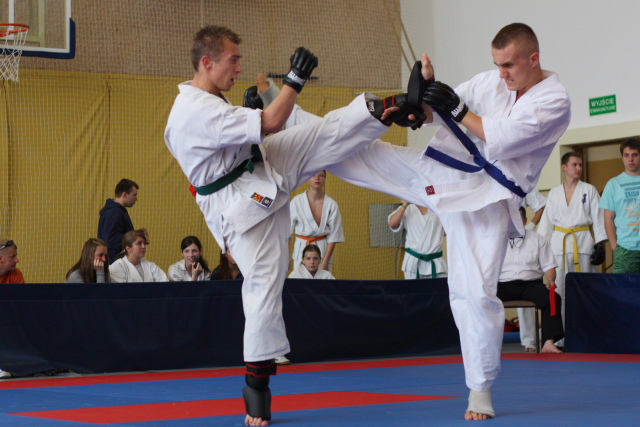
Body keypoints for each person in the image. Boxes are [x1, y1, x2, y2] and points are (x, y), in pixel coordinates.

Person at [270, 23, 570, 420]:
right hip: (443, 172)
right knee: (364, 155)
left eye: (509, 65)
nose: (502, 74)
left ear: (534, 59)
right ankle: (291, 120)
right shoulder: (491, 82)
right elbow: (438, 112)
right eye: (497, 64)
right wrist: (420, 100)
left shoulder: (555, 100)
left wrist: (456, 109)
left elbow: (502, 137)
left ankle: (480, 389)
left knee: (475, 293)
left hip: (487, 201)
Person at [163, 25, 421, 427]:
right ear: (207, 62)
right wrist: (294, 80)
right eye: (233, 59)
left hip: (258, 165)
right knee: (265, 284)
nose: (240, 67)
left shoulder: (208, 99)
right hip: (240, 206)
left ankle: (389, 107)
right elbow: (270, 120)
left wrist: (246, 113)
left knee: (320, 135)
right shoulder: (195, 109)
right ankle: (256, 386)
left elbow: (246, 133)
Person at [537, 152, 607, 345]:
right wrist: (541, 252)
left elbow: (598, 217)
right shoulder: (554, 193)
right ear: (564, 167)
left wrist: (600, 244)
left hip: (582, 243)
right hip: (558, 246)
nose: (578, 168)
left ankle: (585, 337)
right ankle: (560, 339)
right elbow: (546, 225)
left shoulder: (589, 190)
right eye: (575, 165)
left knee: (585, 289)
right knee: (558, 291)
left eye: (580, 165)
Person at [498, 208, 563, 353]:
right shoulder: (496, 239)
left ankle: (548, 342)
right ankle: (483, 343)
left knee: (553, 297)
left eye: (517, 218)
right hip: (503, 284)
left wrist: (551, 280)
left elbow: (549, 266)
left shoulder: (538, 239)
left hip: (530, 285)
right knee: (482, 298)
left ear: (525, 220)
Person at [599, 138, 640, 273]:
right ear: (622, 158)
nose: (631, 159)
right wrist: (614, 245)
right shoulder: (613, 184)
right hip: (625, 247)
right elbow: (608, 218)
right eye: (626, 155)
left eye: (635, 155)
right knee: (624, 286)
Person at [290, 170, 344, 272]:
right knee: (300, 280)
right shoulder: (297, 201)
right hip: (301, 248)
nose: (317, 178)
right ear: (307, 179)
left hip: (322, 250)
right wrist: (286, 258)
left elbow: (334, 235)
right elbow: (287, 233)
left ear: (325, 179)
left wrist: (325, 261)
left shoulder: (331, 204)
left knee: (322, 280)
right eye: (313, 175)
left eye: (321, 175)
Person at [388, 201, 447, 279]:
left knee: (440, 287)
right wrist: (405, 204)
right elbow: (393, 224)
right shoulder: (408, 209)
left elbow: (445, 231)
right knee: (414, 287)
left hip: (436, 262)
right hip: (413, 263)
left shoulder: (438, 208)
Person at [98, 179, 146, 263]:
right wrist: (135, 236)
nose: (136, 198)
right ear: (125, 195)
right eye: (134, 195)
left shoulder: (117, 211)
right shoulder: (114, 212)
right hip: (114, 262)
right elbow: (111, 240)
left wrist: (136, 234)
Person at [0, 239, 24, 378]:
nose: (17, 260)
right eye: (12, 257)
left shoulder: (16, 274)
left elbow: (20, 303)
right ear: (0, 259)